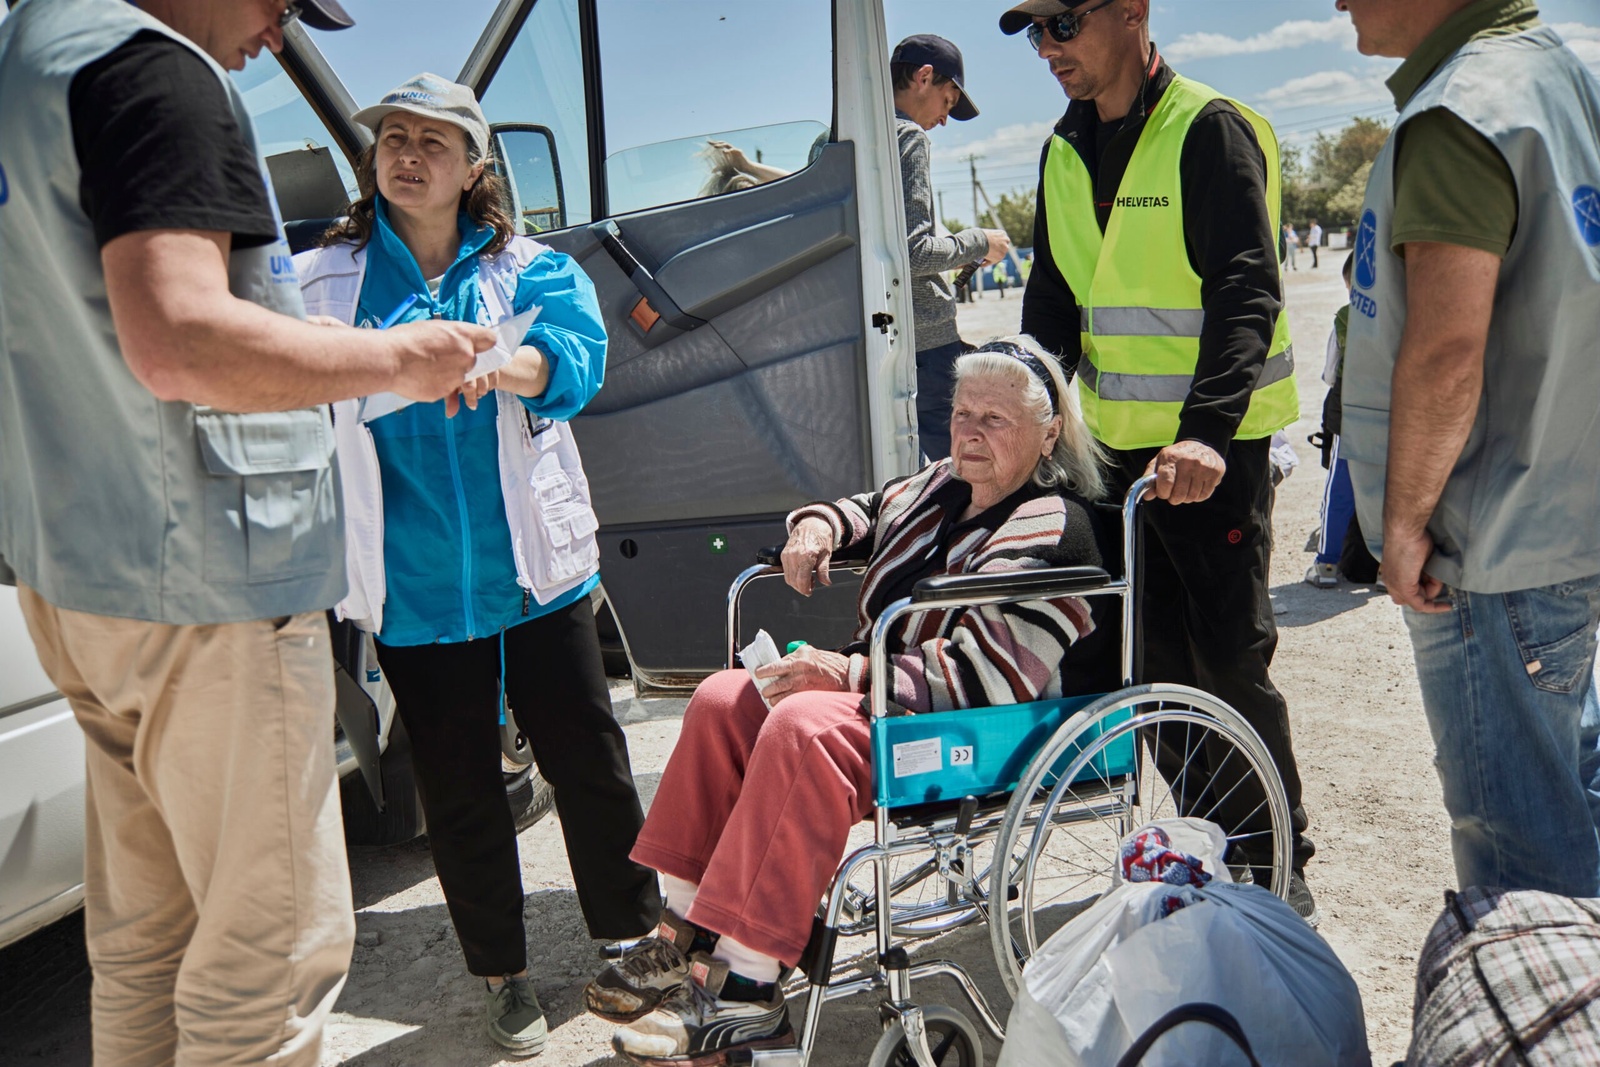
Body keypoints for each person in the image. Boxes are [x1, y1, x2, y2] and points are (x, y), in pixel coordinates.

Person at [0, 2, 496, 1063]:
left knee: (145, 942)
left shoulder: (28, 58)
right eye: (279, 4)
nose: (276, 35)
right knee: (261, 970)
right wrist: (396, 361)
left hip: (76, 573)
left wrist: (293, 335)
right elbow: (177, 340)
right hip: (212, 589)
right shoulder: (157, 72)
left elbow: (93, 312)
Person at [583, 336, 1115, 1064]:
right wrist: (815, 526)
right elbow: (865, 507)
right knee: (719, 700)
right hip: (889, 700)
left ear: (1048, 431)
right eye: (962, 412)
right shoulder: (940, 485)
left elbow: (989, 673)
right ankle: (682, 932)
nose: (970, 431)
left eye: (995, 417)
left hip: (980, 724)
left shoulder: (1056, 525)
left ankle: (748, 988)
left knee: (803, 724)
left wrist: (848, 672)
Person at [295, 74, 661, 1054]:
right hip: (410, 582)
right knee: (455, 789)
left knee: (589, 759)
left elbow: (576, 357)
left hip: (534, 569)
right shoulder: (322, 278)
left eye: (432, 141)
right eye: (393, 138)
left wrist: (507, 365)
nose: (407, 154)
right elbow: (280, 376)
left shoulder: (526, 266)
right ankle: (501, 974)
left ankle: (631, 939)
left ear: (476, 166)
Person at [1003, 0, 1317, 920]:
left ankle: (1278, 855)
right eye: (1035, 35)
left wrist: (1209, 431)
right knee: (1149, 665)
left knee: (1226, 658)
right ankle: (1209, 842)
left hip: (1210, 451)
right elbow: (1055, 297)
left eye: (1063, 24)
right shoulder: (1064, 150)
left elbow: (1245, 290)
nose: (1048, 50)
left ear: (1131, 13)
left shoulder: (1209, 131)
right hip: (1115, 457)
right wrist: (1029, 409)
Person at [1337, 0, 1600, 896]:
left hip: (1488, 549)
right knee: (1576, 799)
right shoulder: (1556, 77)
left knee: (1521, 852)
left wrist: (1404, 522)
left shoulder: (1461, 111)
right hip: (1560, 520)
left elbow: (1448, 350)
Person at [891, 34, 1011, 461]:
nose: (944, 119)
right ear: (924, 78)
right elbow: (914, 252)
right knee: (959, 471)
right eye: (947, 100)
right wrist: (981, 240)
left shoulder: (841, 141)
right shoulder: (906, 138)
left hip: (890, 343)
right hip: (928, 347)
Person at [1306, 253, 1358, 588]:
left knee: (1339, 490)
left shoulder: (1345, 317)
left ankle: (1327, 565)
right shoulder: (1407, 315)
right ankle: (1384, 568)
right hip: (1396, 416)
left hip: (1349, 414)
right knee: (1387, 490)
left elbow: (1329, 374)